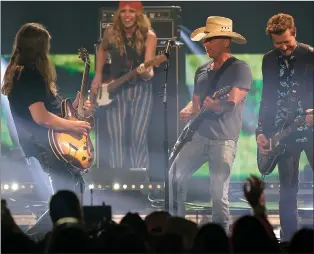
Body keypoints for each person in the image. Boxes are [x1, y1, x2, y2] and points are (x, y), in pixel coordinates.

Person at [1, 22, 92, 236]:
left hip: (50, 143)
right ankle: (29, 240)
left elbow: (53, 109)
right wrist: (73, 125)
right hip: (44, 144)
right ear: (40, 47)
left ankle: (40, 240)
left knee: (75, 192)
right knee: (66, 202)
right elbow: (41, 117)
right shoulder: (28, 75)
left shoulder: (29, 74)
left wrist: (75, 107)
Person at [168, 16, 252, 233]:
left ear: (226, 41)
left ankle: (221, 237)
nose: (205, 44)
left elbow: (233, 101)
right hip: (197, 136)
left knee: (218, 194)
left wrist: (217, 105)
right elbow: (197, 103)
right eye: (205, 40)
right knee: (174, 177)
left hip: (223, 141)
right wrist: (188, 110)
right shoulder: (202, 71)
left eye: (211, 39)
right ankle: (178, 230)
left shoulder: (240, 68)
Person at [256, 13, 313, 242]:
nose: (283, 47)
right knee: (287, 189)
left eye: (286, 42)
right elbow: (267, 97)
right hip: (283, 134)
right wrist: (261, 130)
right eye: (277, 43)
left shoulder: (310, 56)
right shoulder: (268, 59)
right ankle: (289, 239)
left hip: (310, 130)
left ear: (295, 33)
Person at [91, 1, 157, 169]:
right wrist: (98, 75)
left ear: (139, 15)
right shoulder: (111, 31)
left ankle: (140, 182)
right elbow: (102, 49)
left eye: (132, 11)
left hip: (140, 89)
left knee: (138, 137)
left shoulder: (149, 35)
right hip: (115, 89)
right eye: (124, 11)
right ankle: (117, 181)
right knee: (116, 136)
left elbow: (149, 70)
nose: (127, 15)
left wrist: (146, 72)